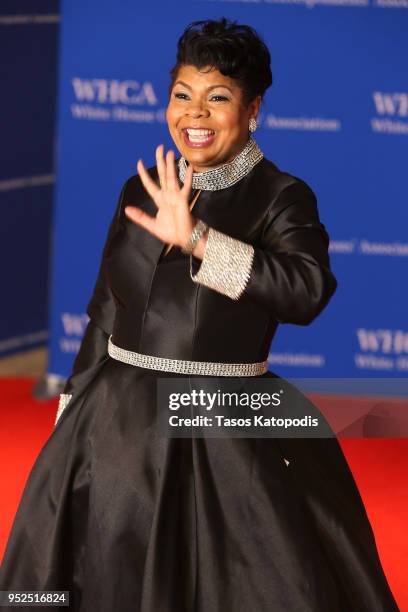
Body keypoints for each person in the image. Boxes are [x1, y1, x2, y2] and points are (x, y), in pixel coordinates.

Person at [0, 17, 399, 612]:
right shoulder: (142, 190)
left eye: (218, 99)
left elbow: (308, 291)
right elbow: (107, 309)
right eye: (183, 96)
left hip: (225, 426)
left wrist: (201, 242)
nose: (195, 115)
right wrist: (69, 412)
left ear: (253, 108)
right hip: (112, 426)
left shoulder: (281, 196)